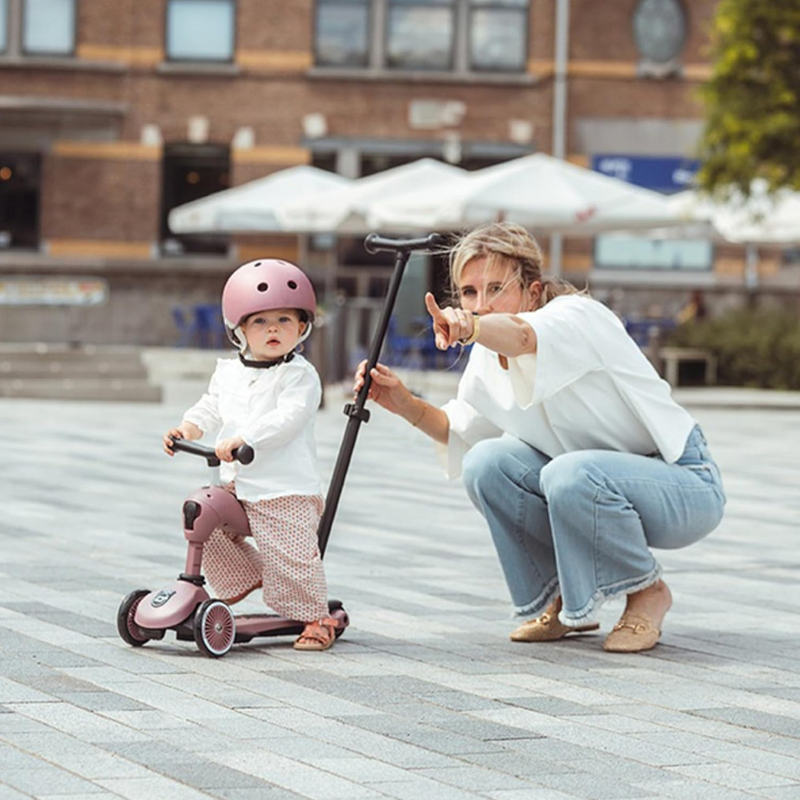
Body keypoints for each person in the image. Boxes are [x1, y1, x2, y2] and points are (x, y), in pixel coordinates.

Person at [354, 222, 725, 653]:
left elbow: (524, 336)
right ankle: (561, 596)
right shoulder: (487, 356)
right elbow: (459, 430)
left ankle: (647, 592)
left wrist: (471, 327)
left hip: (681, 482)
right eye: (470, 293)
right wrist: (402, 402)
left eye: (496, 288)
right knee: (486, 463)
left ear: (532, 292)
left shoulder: (576, 316)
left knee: (569, 471)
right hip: (590, 484)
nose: (480, 303)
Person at [163, 258, 338, 651]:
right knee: (201, 517)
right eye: (260, 321)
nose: (273, 329)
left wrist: (246, 439)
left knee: (294, 556)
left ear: (303, 327)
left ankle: (317, 617)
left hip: (284, 489)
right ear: (239, 329)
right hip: (236, 484)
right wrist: (187, 428)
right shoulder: (228, 372)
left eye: (284, 320)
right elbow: (210, 406)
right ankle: (254, 575)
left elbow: (288, 419)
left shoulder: (299, 375)